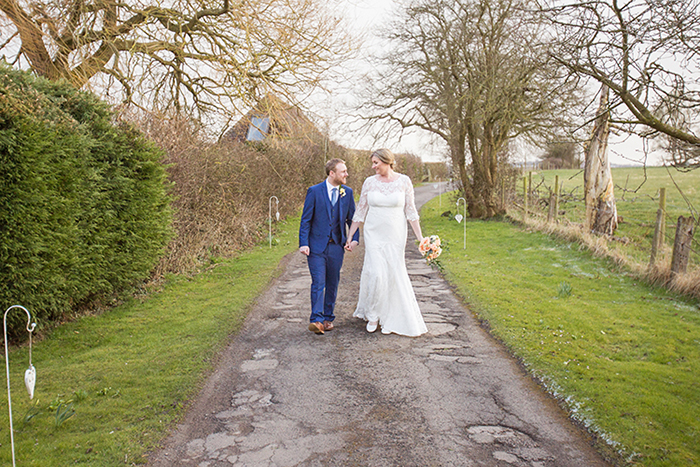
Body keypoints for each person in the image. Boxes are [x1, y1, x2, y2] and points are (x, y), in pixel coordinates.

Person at [346, 149, 428, 336]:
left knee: (392, 273)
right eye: (372, 163)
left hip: (396, 235)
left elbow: (411, 212)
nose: (373, 166)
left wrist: (421, 238)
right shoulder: (369, 182)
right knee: (376, 274)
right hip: (374, 234)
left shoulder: (404, 181)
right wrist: (350, 235)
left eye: (376, 163)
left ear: (387, 162)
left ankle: (390, 315)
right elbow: (360, 211)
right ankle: (373, 314)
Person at [299, 159, 360, 334]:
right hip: (316, 246)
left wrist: (354, 238)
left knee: (332, 282)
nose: (346, 174)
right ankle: (316, 320)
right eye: (343, 172)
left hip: (336, 247)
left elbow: (352, 219)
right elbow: (306, 220)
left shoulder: (347, 193)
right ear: (332, 173)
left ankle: (328, 317)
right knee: (318, 282)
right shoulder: (314, 191)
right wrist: (304, 243)